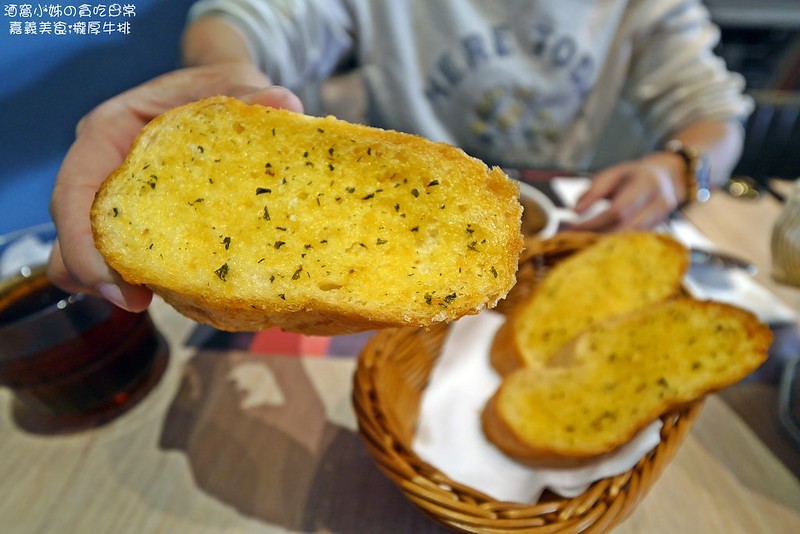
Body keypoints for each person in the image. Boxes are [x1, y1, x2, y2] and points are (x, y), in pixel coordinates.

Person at [48, 0, 752, 312]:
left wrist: (682, 168)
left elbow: (717, 114)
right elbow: (249, 16)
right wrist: (226, 82)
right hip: (390, 232)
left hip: (568, 218)